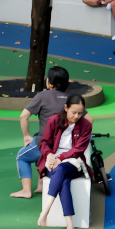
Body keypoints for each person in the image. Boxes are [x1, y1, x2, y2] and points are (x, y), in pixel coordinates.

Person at [36, 95, 92, 229]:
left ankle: (45, 212)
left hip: (74, 163)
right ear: (66, 108)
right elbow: (44, 143)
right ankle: (70, 225)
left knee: (61, 170)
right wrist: (48, 155)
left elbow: (78, 149)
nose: (77, 116)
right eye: (74, 112)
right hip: (52, 161)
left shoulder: (86, 125)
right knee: (64, 181)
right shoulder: (53, 120)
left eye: (80, 113)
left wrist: (59, 158)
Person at [11, 66, 71, 199]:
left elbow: (23, 116)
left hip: (45, 144)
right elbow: (89, 119)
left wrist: (26, 136)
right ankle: (41, 185)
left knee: (22, 157)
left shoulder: (43, 96)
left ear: (50, 83)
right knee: (38, 137)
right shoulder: (71, 98)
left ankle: (26, 190)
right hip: (64, 145)